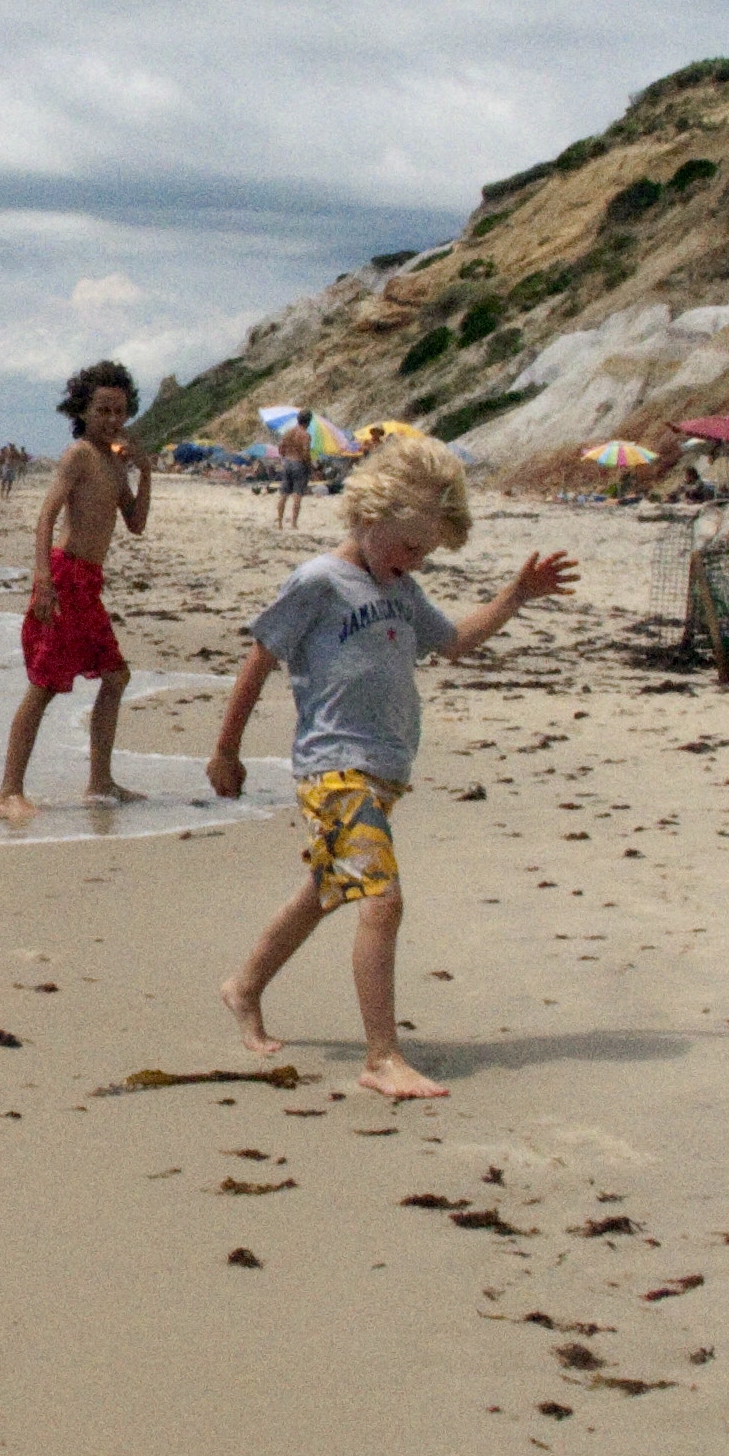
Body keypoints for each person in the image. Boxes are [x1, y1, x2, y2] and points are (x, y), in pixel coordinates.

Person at [205, 436, 576, 1099]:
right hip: (332, 765)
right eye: (407, 547)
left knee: (326, 889)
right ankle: (381, 1058)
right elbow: (259, 658)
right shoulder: (319, 581)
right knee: (381, 899)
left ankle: (244, 986)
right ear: (369, 520)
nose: (414, 561)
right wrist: (225, 750)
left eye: (425, 552)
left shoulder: (402, 591)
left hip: (384, 768)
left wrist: (515, 594)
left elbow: (455, 641)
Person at [0, 361, 151, 819]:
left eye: (120, 411)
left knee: (116, 676)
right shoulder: (79, 454)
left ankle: (101, 782)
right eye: (102, 409)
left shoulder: (115, 463)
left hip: (90, 582)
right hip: (64, 576)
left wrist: (146, 474)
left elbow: (136, 524)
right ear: (82, 411)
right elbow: (46, 516)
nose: (112, 419)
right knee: (43, 685)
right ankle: (8, 791)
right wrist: (42, 579)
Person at [272, 411, 314, 529]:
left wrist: (286, 457)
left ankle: (280, 523)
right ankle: (294, 523)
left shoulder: (288, 433)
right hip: (299, 464)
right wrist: (309, 466)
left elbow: (281, 449)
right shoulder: (305, 435)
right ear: (308, 422)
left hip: (287, 463)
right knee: (297, 495)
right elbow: (306, 452)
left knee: (284, 494)